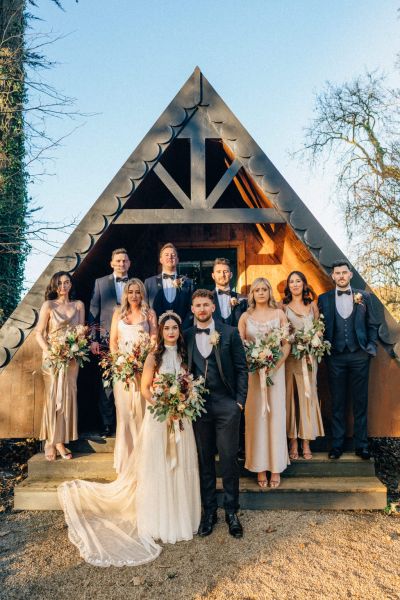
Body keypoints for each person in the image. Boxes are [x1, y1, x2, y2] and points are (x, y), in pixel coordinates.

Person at [58, 312, 201, 567]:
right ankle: (160, 519)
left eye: (174, 328)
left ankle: (181, 518)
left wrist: (181, 403)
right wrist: (165, 406)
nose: (170, 332)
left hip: (181, 419)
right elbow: (146, 389)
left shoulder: (184, 356)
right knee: (160, 467)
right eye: (166, 328)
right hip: (159, 418)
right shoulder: (153, 357)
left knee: (180, 465)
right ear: (161, 330)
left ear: (179, 331)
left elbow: (188, 385)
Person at [184, 289, 248, 538]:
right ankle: (209, 512)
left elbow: (242, 369)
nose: (201, 309)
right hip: (198, 408)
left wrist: (239, 403)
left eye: (206, 305)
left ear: (213, 308)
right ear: (192, 309)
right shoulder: (186, 335)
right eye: (197, 305)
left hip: (226, 406)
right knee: (204, 461)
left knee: (229, 459)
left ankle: (231, 512)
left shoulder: (229, 333)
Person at [318, 260, 378, 460]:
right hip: (335, 357)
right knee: (338, 402)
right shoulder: (324, 299)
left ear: (350, 275)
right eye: (338, 273)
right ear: (333, 276)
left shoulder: (365, 296)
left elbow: (372, 324)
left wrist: (369, 347)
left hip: (359, 355)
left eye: (344, 272)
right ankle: (337, 445)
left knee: (360, 402)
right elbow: (320, 327)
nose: (341, 276)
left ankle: (362, 446)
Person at [238, 278, 290, 489]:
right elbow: (240, 345)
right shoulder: (245, 316)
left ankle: (276, 467)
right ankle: (259, 466)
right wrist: (254, 361)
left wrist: (274, 367)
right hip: (253, 373)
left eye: (264, 289)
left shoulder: (279, 314)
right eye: (256, 290)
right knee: (256, 418)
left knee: (275, 417)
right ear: (252, 294)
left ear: (269, 292)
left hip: (275, 374)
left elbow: (286, 345)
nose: (260, 292)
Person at [35, 272, 85, 461]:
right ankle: (51, 441)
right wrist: (49, 351)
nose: (63, 286)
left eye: (66, 282)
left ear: (71, 284)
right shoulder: (48, 305)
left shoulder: (78, 305)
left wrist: (75, 349)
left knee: (67, 397)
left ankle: (60, 441)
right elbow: (39, 333)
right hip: (52, 358)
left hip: (71, 358)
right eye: (59, 283)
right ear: (54, 286)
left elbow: (81, 333)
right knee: (53, 396)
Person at [109, 278, 157, 473]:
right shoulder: (118, 314)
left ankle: (145, 459)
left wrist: (145, 363)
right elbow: (113, 342)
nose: (134, 295)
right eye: (131, 292)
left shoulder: (150, 313)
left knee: (143, 413)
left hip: (143, 371)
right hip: (123, 372)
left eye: (138, 292)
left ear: (142, 294)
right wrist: (120, 363)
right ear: (126, 294)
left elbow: (154, 340)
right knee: (126, 414)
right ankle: (126, 460)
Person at [89, 248, 131, 437]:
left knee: (129, 383)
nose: (121, 264)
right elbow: (93, 313)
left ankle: (128, 425)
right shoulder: (100, 283)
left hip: (131, 342)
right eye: (118, 261)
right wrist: (93, 339)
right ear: (112, 263)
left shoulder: (136, 284)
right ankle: (107, 424)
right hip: (106, 342)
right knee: (106, 385)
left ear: (129, 263)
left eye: (124, 261)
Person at [282, 271, 324, 460]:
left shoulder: (312, 306)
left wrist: (313, 342)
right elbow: (282, 333)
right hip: (290, 358)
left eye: (298, 281)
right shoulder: (282, 307)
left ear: (304, 284)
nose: (295, 284)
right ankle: (292, 441)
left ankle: (306, 441)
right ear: (288, 286)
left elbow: (319, 331)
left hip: (308, 359)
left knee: (308, 397)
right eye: (292, 282)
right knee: (291, 398)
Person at [144, 243, 193, 321]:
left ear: (177, 260)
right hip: (157, 330)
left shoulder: (188, 283)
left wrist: (183, 329)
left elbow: (191, 310)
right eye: (166, 255)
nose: (170, 257)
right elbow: (145, 309)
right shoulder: (149, 283)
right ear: (161, 260)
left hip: (182, 330)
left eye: (173, 255)